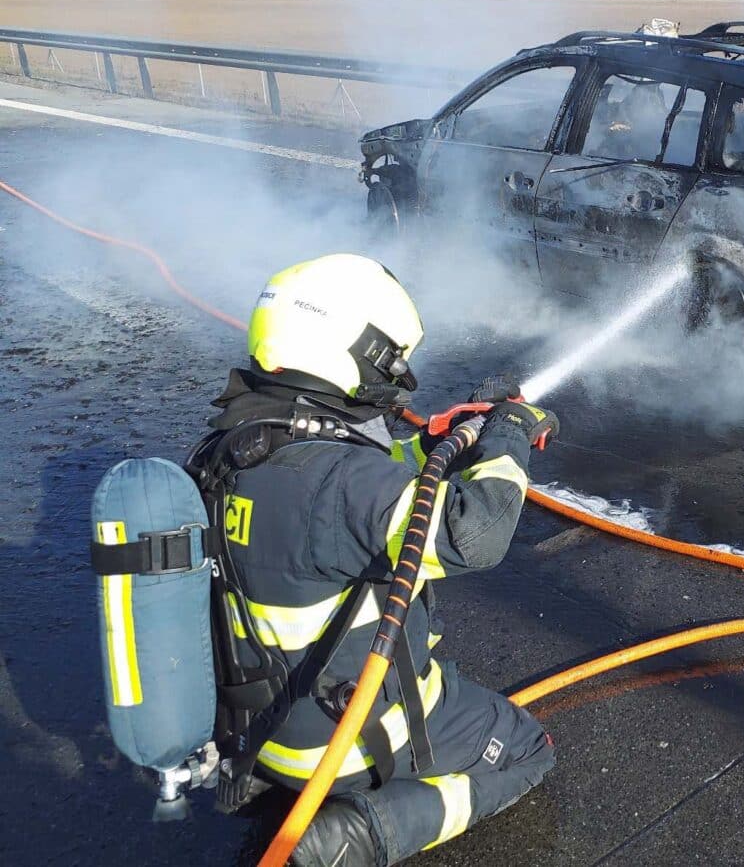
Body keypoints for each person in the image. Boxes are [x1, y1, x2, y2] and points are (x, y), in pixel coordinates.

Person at [193, 253, 558, 866]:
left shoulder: (233, 448)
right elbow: (477, 532)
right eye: (391, 360)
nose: (399, 377)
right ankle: (358, 835)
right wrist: (510, 435)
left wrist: (440, 443)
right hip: (349, 743)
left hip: (259, 735)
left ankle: (277, 788)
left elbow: (350, 500)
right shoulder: (341, 483)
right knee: (528, 749)